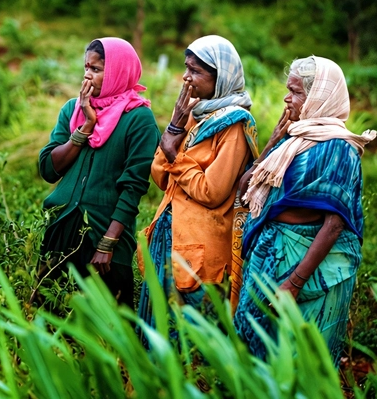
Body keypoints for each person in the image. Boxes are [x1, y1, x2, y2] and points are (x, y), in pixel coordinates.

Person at [234, 56, 376, 364]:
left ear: (318, 96)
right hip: (271, 252)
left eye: (296, 91)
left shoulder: (338, 148)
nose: (287, 98)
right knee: (257, 346)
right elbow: (245, 190)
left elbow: (335, 224)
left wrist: (294, 282)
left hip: (304, 259)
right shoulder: (293, 140)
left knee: (299, 354)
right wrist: (273, 140)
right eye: (289, 90)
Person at [136, 35, 258, 342]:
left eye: (196, 71)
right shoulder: (196, 114)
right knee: (160, 329)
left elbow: (211, 191)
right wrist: (175, 128)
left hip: (201, 247)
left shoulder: (233, 126)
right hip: (171, 235)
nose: (186, 78)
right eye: (186, 68)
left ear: (220, 79)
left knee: (191, 336)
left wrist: (175, 154)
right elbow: (162, 177)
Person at [38, 37, 159, 306]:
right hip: (61, 229)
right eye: (86, 67)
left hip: (104, 240)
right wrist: (85, 126)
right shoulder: (74, 110)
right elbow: (48, 168)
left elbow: (134, 186)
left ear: (118, 71)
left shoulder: (138, 119)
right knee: (51, 317)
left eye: (96, 69)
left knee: (103, 327)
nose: (86, 74)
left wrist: (108, 243)